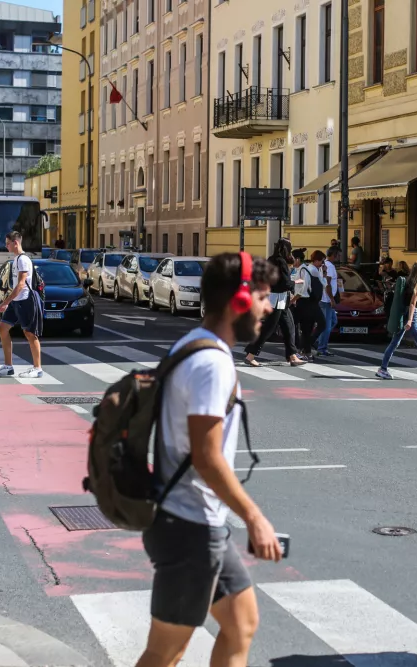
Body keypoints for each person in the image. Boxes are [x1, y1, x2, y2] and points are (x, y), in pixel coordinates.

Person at [137, 252, 282, 667]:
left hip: (197, 522)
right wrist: (254, 517)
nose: (268, 308)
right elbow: (206, 456)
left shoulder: (194, 343)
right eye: (263, 297)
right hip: (188, 528)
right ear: (238, 300)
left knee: (241, 623)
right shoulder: (211, 363)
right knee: (166, 651)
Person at [243, 239, 305, 367]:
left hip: (279, 300)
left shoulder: (271, 259)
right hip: (277, 300)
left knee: (289, 327)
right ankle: (250, 355)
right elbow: (284, 283)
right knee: (268, 329)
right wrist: (295, 282)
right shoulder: (280, 262)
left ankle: (292, 356)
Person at [0, 231, 44, 379]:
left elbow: (21, 284)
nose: (6, 246)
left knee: (30, 333)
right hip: (16, 301)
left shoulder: (23, 260)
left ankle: (37, 368)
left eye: (8, 243)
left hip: (25, 300)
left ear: (16, 243)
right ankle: (8, 367)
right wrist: (10, 302)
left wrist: (5, 301)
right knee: (2, 329)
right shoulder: (16, 260)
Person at [295, 251, 328, 359]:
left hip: (311, 301)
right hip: (310, 302)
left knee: (308, 327)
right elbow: (324, 284)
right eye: (322, 261)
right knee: (319, 324)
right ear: (317, 260)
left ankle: (306, 350)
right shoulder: (313, 270)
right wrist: (324, 273)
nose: (323, 264)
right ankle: (306, 346)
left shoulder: (312, 269)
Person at [316, 247, 341, 357]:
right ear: (334, 254)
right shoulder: (329, 266)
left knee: (333, 321)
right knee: (327, 325)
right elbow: (328, 284)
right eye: (339, 255)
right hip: (326, 300)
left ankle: (317, 340)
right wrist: (332, 299)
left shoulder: (326, 265)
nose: (340, 257)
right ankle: (321, 347)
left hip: (325, 299)